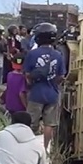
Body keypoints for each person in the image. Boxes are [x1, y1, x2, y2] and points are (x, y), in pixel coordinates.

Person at [24, 22, 66, 150]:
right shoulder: (58, 55)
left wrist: (31, 82)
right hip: (52, 94)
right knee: (49, 124)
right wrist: (53, 82)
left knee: (31, 123)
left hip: (36, 93)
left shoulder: (32, 54)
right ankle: (45, 149)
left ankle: (29, 148)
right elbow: (61, 76)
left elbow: (27, 75)